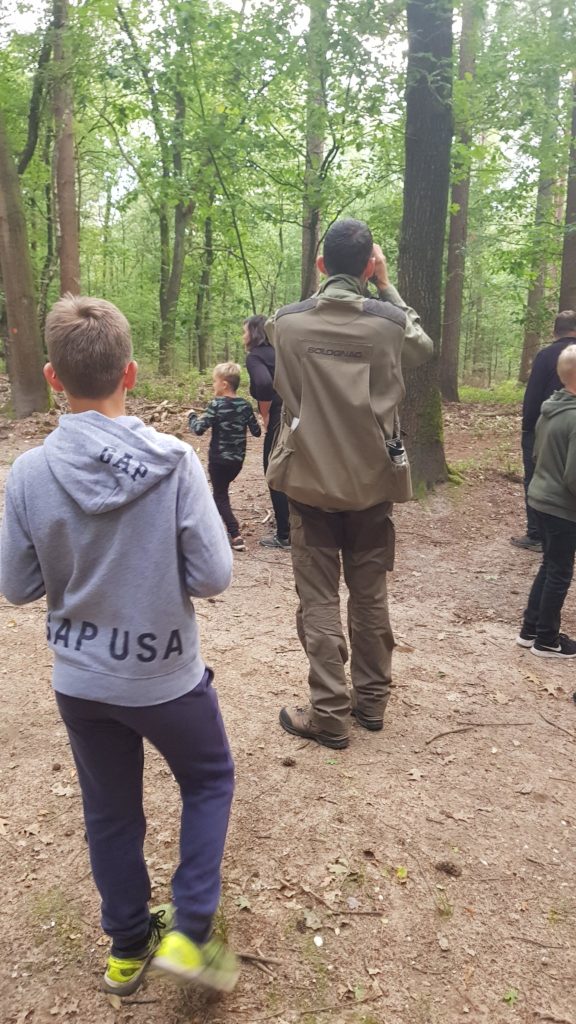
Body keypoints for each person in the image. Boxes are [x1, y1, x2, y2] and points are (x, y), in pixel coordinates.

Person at [0, 296, 239, 996]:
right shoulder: (174, 463)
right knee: (210, 779)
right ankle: (191, 932)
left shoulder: (28, 473)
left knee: (109, 811)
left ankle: (128, 948)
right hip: (166, 675)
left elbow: (15, 584)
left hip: (82, 681)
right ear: (129, 373)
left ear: (52, 376)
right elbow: (215, 574)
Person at [265, 218, 433, 749]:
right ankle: (371, 701)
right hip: (371, 482)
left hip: (309, 481)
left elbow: (289, 336)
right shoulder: (389, 323)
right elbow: (422, 347)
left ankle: (330, 713)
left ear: (320, 266)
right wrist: (385, 285)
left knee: (317, 598)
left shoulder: (286, 323)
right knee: (369, 591)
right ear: (368, 266)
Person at [516, 344, 576, 659]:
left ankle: (530, 631)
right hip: (562, 508)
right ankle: (547, 640)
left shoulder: (551, 407)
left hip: (540, 498)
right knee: (560, 571)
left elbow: (537, 454)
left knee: (550, 565)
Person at [511, 310, 576, 552]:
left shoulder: (546, 355)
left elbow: (533, 396)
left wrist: (528, 429)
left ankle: (537, 533)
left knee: (538, 477)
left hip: (545, 427)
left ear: (554, 331)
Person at [188, 361, 261, 552]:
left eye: (214, 381)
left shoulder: (216, 405)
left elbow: (198, 430)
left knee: (220, 496)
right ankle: (209, 527)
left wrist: (191, 417)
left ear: (224, 384)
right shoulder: (245, 405)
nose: (213, 385)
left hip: (218, 461)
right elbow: (257, 432)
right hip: (237, 462)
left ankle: (235, 534)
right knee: (220, 494)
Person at [243, 314, 291, 549]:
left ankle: (285, 534)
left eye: (245, 331)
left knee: (273, 469)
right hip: (301, 414)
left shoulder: (255, 357)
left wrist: (265, 413)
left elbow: (263, 384)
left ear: (254, 333)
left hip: (279, 416)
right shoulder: (283, 351)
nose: (243, 336)